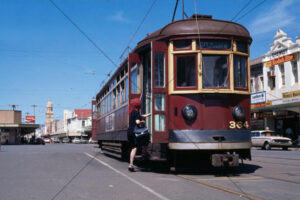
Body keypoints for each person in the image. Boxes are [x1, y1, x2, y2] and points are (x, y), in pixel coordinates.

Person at [127, 98, 151, 172]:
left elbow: (141, 116)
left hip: (129, 132)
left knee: (133, 148)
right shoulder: (137, 113)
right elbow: (137, 122)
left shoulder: (132, 112)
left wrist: (149, 114)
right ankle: (144, 155)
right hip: (134, 132)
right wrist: (142, 122)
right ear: (139, 105)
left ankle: (131, 164)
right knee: (146, 138)